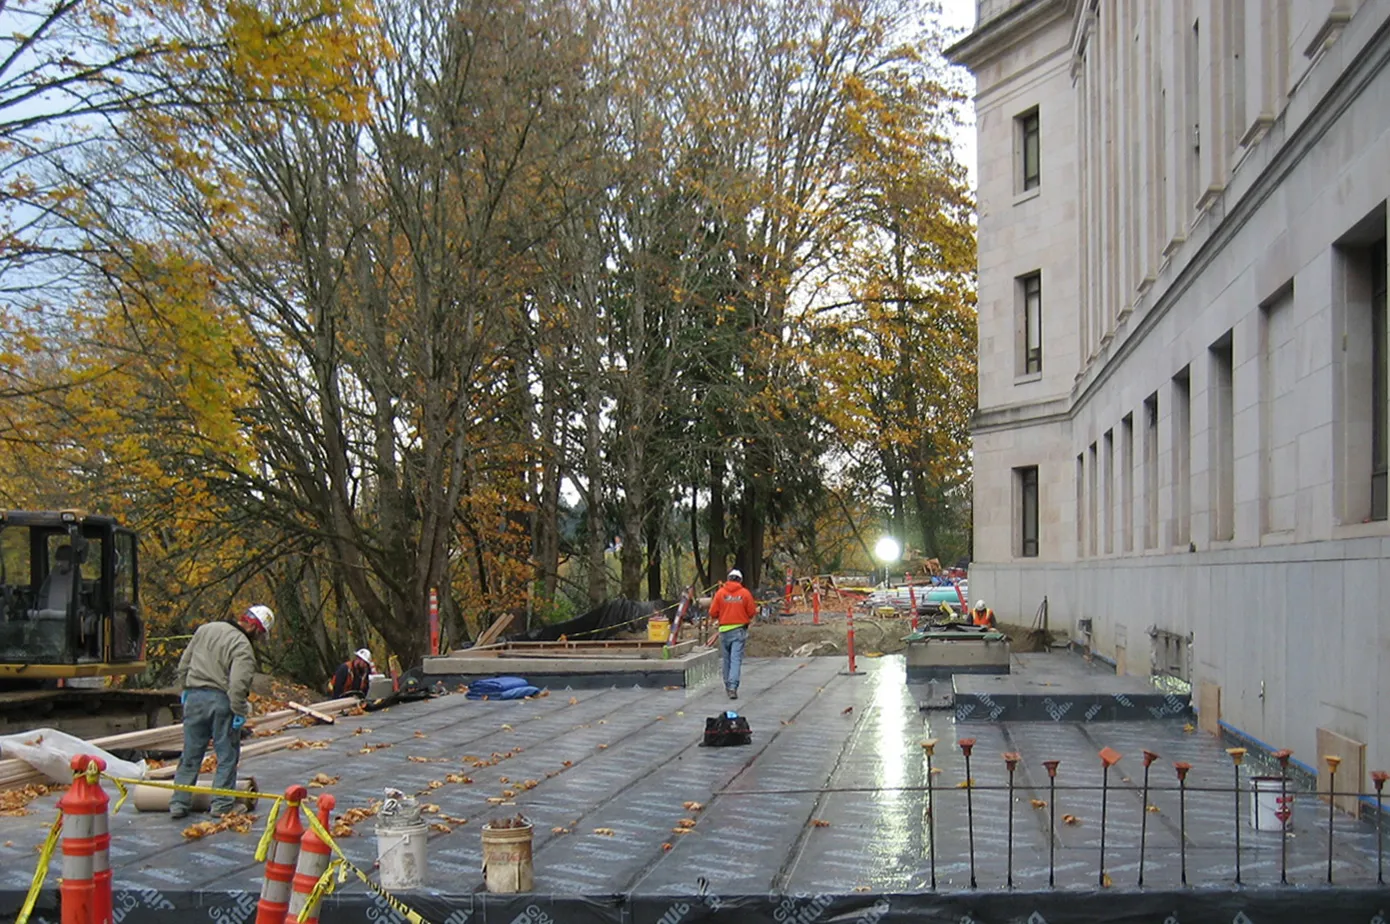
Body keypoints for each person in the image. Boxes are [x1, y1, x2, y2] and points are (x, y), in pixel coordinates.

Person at [170, 604, 274, 819]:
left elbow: (184, 664)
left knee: (190, 753)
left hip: (195, 699)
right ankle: (221, 805)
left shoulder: (205, 629)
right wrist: (239, 711)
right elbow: (237, 684)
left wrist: (186, 689)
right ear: (255, 629)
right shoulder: (242, 646)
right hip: (221, 701)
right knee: (226, 756)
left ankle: (179, 803)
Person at [710, 569, 757, 700]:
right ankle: (732, 687)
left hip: (724, 631)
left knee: (726, 660)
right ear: (740, 580)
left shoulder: (720, 593)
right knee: (736, 659)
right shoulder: (745, 594)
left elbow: (713, 612)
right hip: (739, 631)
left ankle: (727, 684)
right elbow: (752, 611)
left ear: (728, 579)